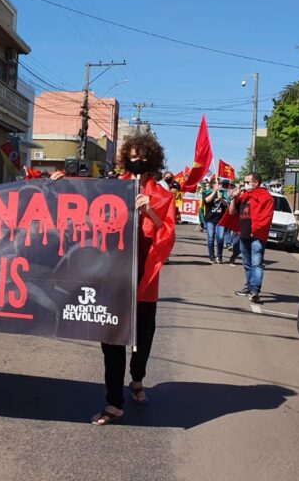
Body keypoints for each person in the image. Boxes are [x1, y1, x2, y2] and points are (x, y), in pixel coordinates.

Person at [91, 133, 176, 425]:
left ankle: (137, 378)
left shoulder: (164, 196)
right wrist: (60, 188)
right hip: (114, 278)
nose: (137, 162)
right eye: (133, 157)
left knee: (142, 338)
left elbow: (167, 235)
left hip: (143, 279)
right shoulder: (112, 189)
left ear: (152, 160)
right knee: (111, 340)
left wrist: (148, 210)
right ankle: (114, 403)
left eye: (143, 158)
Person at [221, 172, 274, 303]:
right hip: (243, 234)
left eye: (247, 182)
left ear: (255, 183)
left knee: (257, 263)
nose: (244, 184)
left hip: (257, 235)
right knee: (247, 263)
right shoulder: (244, 196)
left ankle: (255, 290)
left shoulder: (265, 197)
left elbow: (267, 217)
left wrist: (255, 230)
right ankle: (249, 287)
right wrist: (235, 196)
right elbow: (232, 211)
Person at [202, 179, 229, 263]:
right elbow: (207, 200)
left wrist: (221, 198)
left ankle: (219, 256)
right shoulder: (206, 192)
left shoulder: (224, 193)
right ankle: (211, 256)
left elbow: (226, 204)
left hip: (220, 219)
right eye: (217, 183)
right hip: (210, 219)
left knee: (220, 238)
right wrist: (215, 192)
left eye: (220, 183)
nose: (219, 185)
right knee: (211, 238)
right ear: (212, 184)